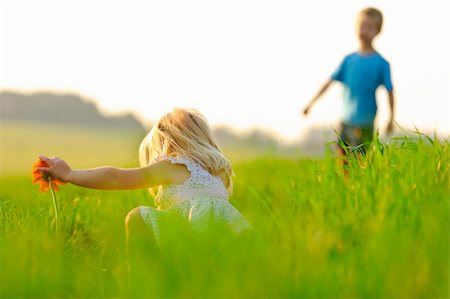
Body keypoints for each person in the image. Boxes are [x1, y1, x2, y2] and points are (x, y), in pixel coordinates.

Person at [35, 108, 250, 281]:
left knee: (137, 217)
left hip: (190, 247)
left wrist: (70, 174)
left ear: (168, 142)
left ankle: (140, 279)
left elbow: (115, 178)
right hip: (226, 245)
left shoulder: (173, 165)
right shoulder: (220, 172)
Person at [303, 7, 395, 157]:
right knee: (342, 156)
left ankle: (361, 180)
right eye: (362, 26)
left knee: (360, 158)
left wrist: (391, 118)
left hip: (365, 119)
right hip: (345, 118)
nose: (364, 31)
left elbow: (390, 92)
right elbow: (329, 82)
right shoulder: (348, 60)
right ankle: (345, 181)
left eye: (370, 27)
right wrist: (310, 104)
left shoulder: (381, 63)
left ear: (378, 31)